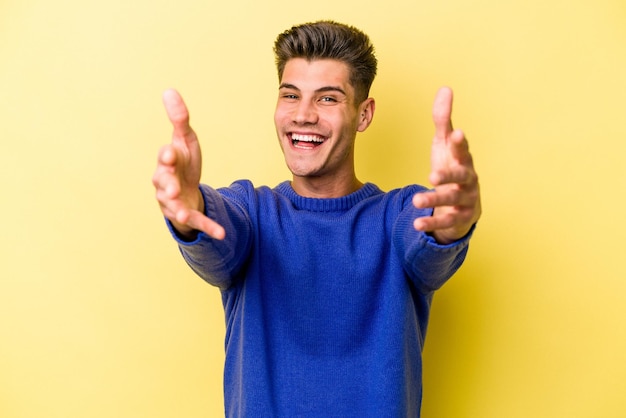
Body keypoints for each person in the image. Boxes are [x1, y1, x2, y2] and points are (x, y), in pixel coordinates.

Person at [152, 20, 481, 418]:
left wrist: (451, 223)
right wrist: (191, 209)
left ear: (363, 114)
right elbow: (219, 236)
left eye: (327, 99)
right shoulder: (251, 213)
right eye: (290, 95)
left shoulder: (399, 215)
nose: (303, 115)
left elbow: (430, 239)